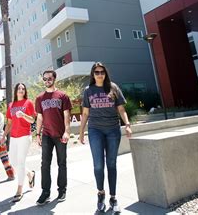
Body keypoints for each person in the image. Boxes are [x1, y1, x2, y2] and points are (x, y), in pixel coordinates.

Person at [79, 62, 132, 212]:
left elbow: (121, 109)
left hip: (113, 130)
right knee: (98, 165)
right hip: (95, 130)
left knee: (111, 164)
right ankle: (101, 193)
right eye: (97, 72)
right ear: (93, 74)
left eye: (102, 72)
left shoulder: (113, 87)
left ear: (105, 73)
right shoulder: (88, 90)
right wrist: (82, 132)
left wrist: (127, 124)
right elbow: (85, 113)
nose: (100, 74)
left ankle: (113, 198)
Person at [35, 70, 72, 205]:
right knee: (45, 164)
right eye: (45, 79)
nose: (47, 81)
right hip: (46, 135)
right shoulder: (39, 98)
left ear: (54, 79)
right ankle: (45, 192)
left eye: (49, 78)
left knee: (61, 163)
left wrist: (67, 132)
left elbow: (67, 116)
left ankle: (62, 190)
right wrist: (38, 134)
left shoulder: (62, 96)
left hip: (60, 134)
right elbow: (39, 117)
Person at [2, 83, 36, 202]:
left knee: (21, 162)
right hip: (14, 137)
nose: (21, 90)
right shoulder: (11, 105)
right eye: (19, 88)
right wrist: (3, 136)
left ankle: (19, 189)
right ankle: (30, 174)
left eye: (23, 88)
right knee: (13, 162)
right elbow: (9, 123)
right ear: (15, 91)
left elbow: (32, 120)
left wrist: (23, 115)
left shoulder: (28, 103)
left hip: (25, 136)